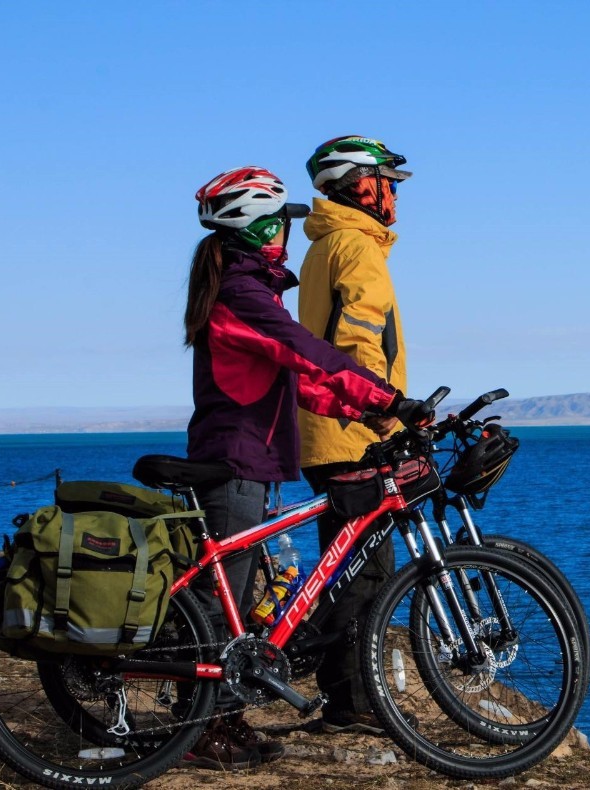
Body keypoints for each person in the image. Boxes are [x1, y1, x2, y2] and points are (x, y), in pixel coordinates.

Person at [183, 165, 432, 768]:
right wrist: (385, 399)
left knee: (238, 600)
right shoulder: (242, 294)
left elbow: (297, 382)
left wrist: (360, 410)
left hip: (251, 462)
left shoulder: (246, 288)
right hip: (232, 461)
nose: (285, 234)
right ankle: (197, 731)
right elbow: (307, 351)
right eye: (277, 221)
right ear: (258, 224)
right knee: (226, 602)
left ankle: (227, 718)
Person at [296, 136, 412, 734]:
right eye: (387, 181)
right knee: (366, 576)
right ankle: (354, 707)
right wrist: (387, 414)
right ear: (360, 184)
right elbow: (360, 342)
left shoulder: (325, 244)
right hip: (353, 432)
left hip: (326, 429)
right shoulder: (356, 247)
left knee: (346, 568)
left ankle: (345, 698)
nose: (394, 193)